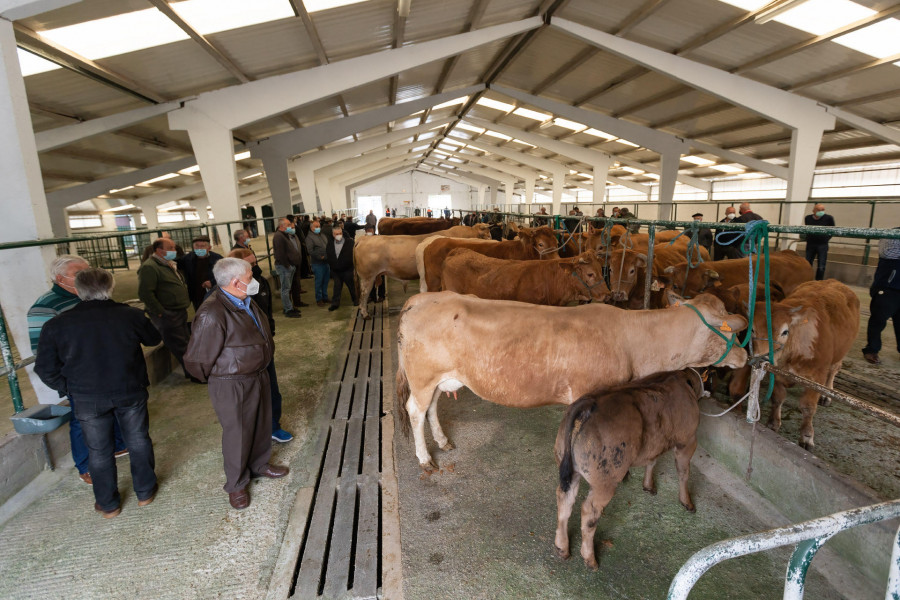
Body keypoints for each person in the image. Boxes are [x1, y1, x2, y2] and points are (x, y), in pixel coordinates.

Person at [35, 268, 161, 518]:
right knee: (137, 440)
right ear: (110, 287)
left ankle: (109, 504)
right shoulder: (130, 315)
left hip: (87, 397)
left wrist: (69, 387)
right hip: (129, 390)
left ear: (79, 291)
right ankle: (145, 492)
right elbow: (153, 339)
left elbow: (45, 368)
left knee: (98, 450)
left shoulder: (57, 324)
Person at [184, 259, 288, 510]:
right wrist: (224, 376)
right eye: (250, 275)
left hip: (258, 374)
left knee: (262, 422)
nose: (254, 280)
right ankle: (237, 483)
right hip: (232, 382)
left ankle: (259, 464)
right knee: (237, 433)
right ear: (236, 282)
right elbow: (197, 361)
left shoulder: (244, 300)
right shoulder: (212, 313)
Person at [28, 255, 128, 485]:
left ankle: (118, 445)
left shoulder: (92, 298)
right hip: (80, 377)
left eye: (87, 271)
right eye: (77, 273)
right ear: (60, 278)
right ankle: (85, 465)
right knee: (81, 421)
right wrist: (67, 383)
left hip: (106, 370)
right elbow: (41, 351)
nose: (85, 276)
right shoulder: (44, 308)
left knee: (113, 412)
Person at [229, 249, 293, 443]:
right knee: (249, 396)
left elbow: (267, 313)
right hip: (244, 356)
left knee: (272, 389)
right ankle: (253, 434)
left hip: (265, 348)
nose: (255, 268)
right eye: (250, 267)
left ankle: (274, 426)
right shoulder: (221, 301)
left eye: (255, 263)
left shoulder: (260, 283)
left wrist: (269, 335)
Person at [138, 238, 193, 380]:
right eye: (170, 248)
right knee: (180, 345)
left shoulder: (168, 264)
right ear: (159, 250)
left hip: (177, 310)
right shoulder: (150, 267)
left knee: (185, 342)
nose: (174, 251)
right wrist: (160, 311)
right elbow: (145, 293)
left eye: (174, 247)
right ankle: (194, 374)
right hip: (168, 313)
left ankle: (194, 370)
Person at [862, 235, 900, 365]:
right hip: (888, 287)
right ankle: (871, 350)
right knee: (878, 320)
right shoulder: (891, 235)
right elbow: (887, 252)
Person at [178, 236, 222, 311]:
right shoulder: (188, 258)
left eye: (202, 246)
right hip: (196, 295)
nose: (199, 248)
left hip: (214, 294)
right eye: (196, 246)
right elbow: (176, 264)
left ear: (209, 247)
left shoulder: (218, 259)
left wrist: (213, 282)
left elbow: (225, 275)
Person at [272, 218, 302, 318]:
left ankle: (289, 307)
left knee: (287, 288)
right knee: (285, 289)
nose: (290, 226)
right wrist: (287, 265)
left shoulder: (284, 235)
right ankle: (288, 309)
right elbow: (279, 254)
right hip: (285, 267)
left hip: (289, 266)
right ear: (282, 226)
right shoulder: (278, 236)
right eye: (288, 225)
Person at [326, 225, 358, 312]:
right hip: (336, 271)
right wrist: (333, 266)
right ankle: (335, 303)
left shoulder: (350, 242)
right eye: (336, 234)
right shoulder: (330, 243)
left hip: (347, 269)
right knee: (337, 287)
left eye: (340, 233)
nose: (338, 235)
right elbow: (329, 255)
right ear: (333, 234)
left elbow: (354, 255)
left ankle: (356, 300)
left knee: (351, 286)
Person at [804, 203, 835, 281]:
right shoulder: (808, 218)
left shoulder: (829, 218)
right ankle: (807, 280)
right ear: (813, 210)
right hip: (811, 244)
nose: (821, 211)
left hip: (822, 244)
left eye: (822, 210)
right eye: (818, 210)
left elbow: (833, 230)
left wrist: (826, 238)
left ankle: (819, 282)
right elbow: (807, 229)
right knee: (807, 264)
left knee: (821, 265)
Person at [306, 219, 331, 307]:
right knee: (319, 282)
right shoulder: (309, 238)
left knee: (326, 281)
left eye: (319, 226)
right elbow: (310, 251)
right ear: (312, 228)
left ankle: (325, 297)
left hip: (326, 262)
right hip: (318, 263)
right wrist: (320, 257)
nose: (318, 228)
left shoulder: (322, 235)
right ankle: (319, 299)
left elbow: (327, 246)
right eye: (316, 227)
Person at [362, 224, 386, 303]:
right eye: (368, 230)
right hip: (369, 264)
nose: (369, 232)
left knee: (381, 280)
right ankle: (372, 296)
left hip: (379, 264)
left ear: (374, 230)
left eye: (371, 230)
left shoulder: (379, 238)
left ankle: (381, 295)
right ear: (365, 231)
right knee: (370, 280)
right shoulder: (363, 240)